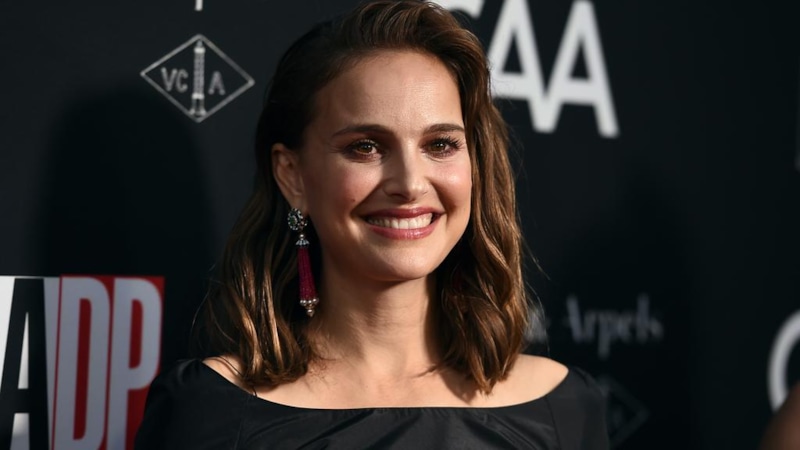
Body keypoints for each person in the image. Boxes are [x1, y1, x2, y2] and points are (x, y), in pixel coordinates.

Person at [135, 1, 609, 448]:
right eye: (366, 146)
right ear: (292, 175)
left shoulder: (564, 408)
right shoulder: (214, 411)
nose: (410, 184)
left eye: (440, 145)